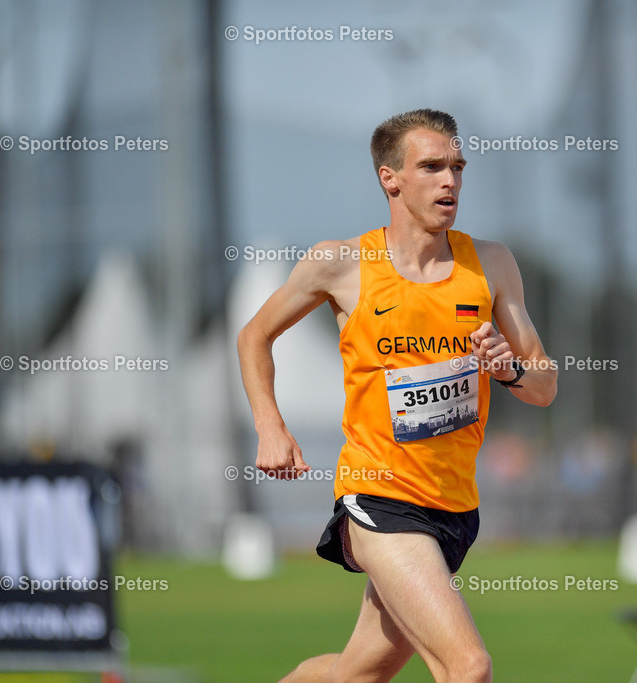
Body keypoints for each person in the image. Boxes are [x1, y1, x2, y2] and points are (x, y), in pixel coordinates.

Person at [237, 108, 557, 682]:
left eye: (457, 166)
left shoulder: (490, 263)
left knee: (357, 674)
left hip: (455, 508)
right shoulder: (341, 263)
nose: (450, 181)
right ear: (391, 179)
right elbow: (254, 335)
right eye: (431, 166)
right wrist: (270, 425)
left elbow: (545, 385)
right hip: (380, 498)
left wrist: (508, 371)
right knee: (468, 667)